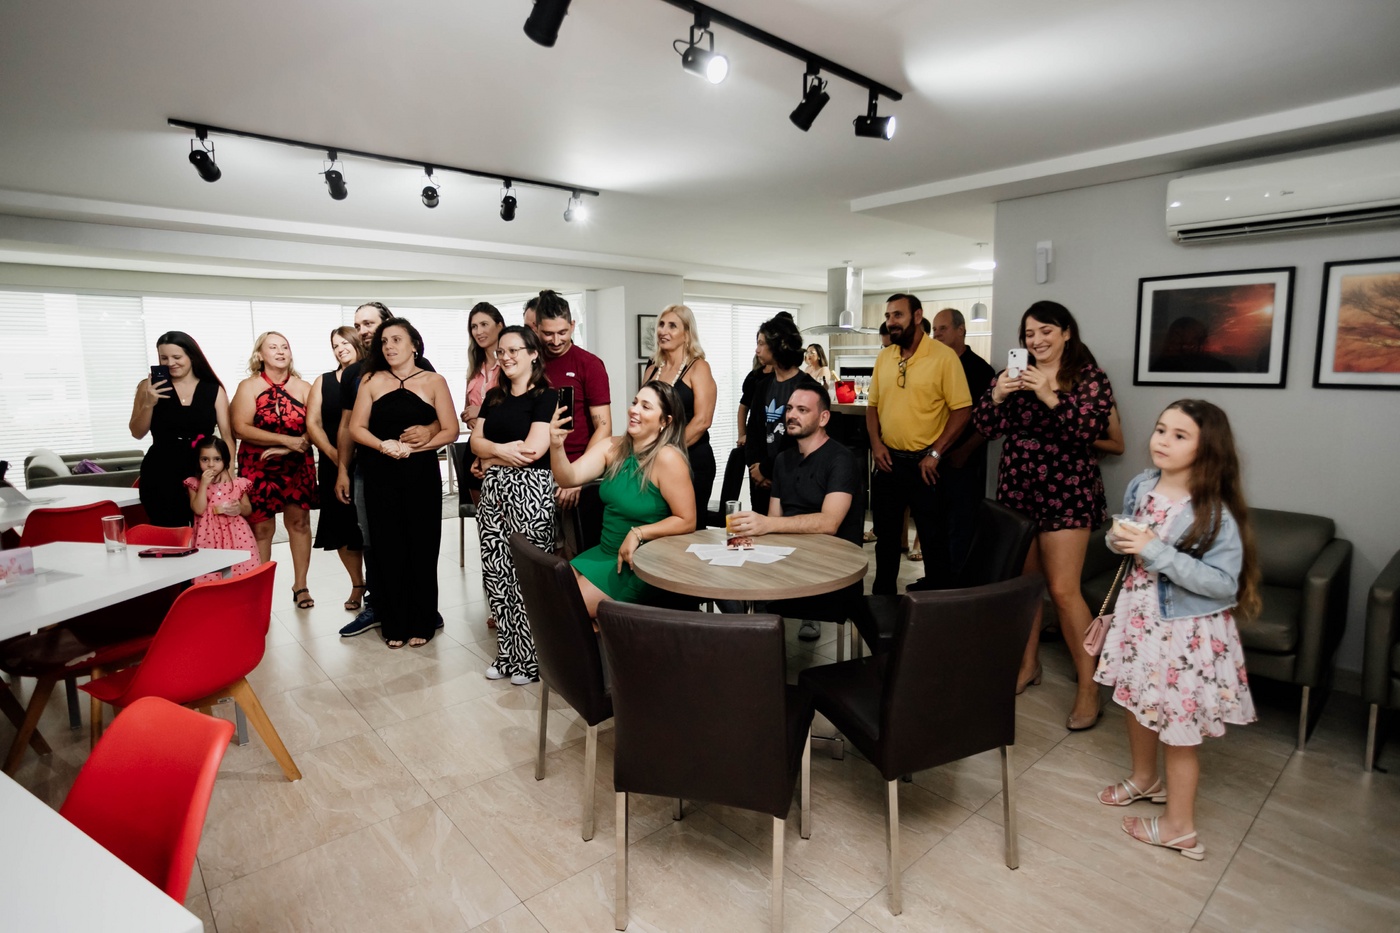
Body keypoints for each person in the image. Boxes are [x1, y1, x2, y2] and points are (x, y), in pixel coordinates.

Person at [1093, 399, 1259, 861]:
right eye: (1161, 429)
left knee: (1177, 729)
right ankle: (1145, 779)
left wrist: (1156, 551)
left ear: (1208, 449)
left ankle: (1179, 828)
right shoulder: (1142, 485)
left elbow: (1223, 584)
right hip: (1139, 617)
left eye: (1180, 435)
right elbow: (1124, 538)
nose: (1162, 440)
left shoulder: (1213, 511)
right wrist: (1119, 540)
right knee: (1134, 700)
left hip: (1184, 633)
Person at [973, 300, 1115, 730]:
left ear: (1067, 332)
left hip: (1067, 491)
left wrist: (1049, 395)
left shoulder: (1089, 378)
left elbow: (1090, 431)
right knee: (1026, 586)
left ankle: (1089, 687)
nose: (1036, 341)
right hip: (1018, 489)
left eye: (1045, 331)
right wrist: (998, 395)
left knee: (1064, 591)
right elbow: (986, 427)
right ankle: (1028, 664)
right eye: (1029, 334)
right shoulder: (1013, 376)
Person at [349, 317, 459, 648]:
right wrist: (383, 445)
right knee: (387, 546)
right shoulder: (371, 380)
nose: (389, 347)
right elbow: (356, 428)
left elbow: (451, 430)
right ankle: (394, 623)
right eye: (384, 342)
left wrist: (415, 448)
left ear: (414, 345)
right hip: (380, 474)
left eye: (396, 340)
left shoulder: (434, 381)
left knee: (422, 545)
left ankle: (423, 619)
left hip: (421, 474)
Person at [727, 383, 867, 643]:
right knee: (729, 578)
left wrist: (767, 524)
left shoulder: (841, 460)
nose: (791, 415)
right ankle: (749, 654)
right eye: (790, 408)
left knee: (751, 601)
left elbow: (829, 523)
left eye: (802, 410)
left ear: (823, 418)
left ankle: (755, 652)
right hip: (787, 562)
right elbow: (774, 520)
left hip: (831, 571)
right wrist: (751, 533)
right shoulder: (783, 460)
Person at [333, 301, 441, 637]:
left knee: (418, 539)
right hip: (370, 469)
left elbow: (439, 419)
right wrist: (342, 469)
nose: (364, 331)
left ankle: (422, 610)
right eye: (359, 325)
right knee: (376, 541)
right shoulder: (356, 374)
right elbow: (348, 426)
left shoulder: (424, 368)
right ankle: (380, 607)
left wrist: (427, 433)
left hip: (417, 468)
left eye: (370, 324)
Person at [549, 380, 695, 615]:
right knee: (549, 597)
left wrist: (638, 533)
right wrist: (556, 445)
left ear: (665, 421)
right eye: (635, 402)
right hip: (604, 553)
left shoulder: (668, 458)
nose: (634, 410)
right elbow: (568, 478)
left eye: (646, 406)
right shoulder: (612, 447)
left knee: (566, 611)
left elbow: (687, 520)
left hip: (638, 563)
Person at [864, 293, 972, 595]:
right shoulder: (885, 357)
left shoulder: (943, 357)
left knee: (933, 540)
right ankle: (883, 602)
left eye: (897, 315)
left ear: (916, 316)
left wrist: (936, 452)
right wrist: (876, 444)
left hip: (927, 466)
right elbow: (872, 407)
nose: (891, 322)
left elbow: (963, 410)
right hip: (888, 462)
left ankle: (936, 608)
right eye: (888, 316)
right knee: (886, 540)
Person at [471, 325, 558, 684]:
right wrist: (496, 453)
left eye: (514, 351)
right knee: (497, 573)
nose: (505, 357)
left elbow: (533, 451)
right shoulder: (494, 396)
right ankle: (507, 653)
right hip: (493, 491)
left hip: (531, 491)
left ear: (533, 354)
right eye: (501, 352)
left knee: (527, 576)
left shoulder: (547, 397)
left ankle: (533, 658)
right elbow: (475, 442)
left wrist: (490, 457)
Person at [231, 331, 318, 608]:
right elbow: (240, 428)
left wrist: (294, 446)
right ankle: (259, 589)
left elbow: (315, 426)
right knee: (261, 528)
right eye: (273, 347)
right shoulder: (248, 386)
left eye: (285, 347)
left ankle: (301, 585)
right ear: (260, 355)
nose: (280, 352)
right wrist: (285, 440)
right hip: (258, 465)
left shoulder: (305, 387)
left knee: (299, 524)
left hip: (297, 463)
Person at [129, 331, 233, 527]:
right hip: (160, 470)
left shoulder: (213, 390)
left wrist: (227, 470)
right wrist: (149, 403)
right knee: (167, 530)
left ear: (191, 356)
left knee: (208, 530)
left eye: (177, 357)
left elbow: (227, 436)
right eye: (164, 358)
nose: (170, 363)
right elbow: (136, 432)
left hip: (202, 469)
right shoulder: (148, 387)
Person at [931, 307, 996, 573]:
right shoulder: (934, 366)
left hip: (963, 460)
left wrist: (966, 451)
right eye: (934, 329)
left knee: (961, 526)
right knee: (934, 524)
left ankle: (958, 585)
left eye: (942, 328)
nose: (936, 334)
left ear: (961, 330)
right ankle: (935, 581)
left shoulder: (980, 370)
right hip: (933, 460)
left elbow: (988, 421)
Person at [535, 290, 611, 514]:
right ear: (536, 329)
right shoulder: (530, 362)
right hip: (536, 469)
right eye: (548, 334)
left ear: (572, 325)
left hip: (575, 467)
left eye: (562, 332)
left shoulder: (589, 364)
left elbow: (604, 427)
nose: (556, 341)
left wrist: (577, 475)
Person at [306, 326, 366, 611]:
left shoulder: (370, 375)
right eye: (335, 345)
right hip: (333, 463)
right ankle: (357, 584)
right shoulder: (324, 381)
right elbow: (313, 423)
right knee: (341, 527)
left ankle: (380, 585)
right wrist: (335, 455)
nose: (340, 348)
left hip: (367, 461)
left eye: (345, 342)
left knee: (367, 527)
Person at [642, 304, 716, 524]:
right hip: (654, 460)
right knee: (657, 521)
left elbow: (703, 421)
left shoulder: (698, 367)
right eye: (661, 324)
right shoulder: (652, 369)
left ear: (687, 334)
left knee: (687, 527)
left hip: (692, 459)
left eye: (672, 326)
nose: (663, 331)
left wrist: (666, 451)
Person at [744, 314, 818, 517]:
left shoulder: (809, 388)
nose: (757, 350)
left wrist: (767, 470)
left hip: (794, 480)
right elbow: (753, 431)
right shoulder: (762, 386)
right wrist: (756, 469)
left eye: (761, 343)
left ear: (777, 346)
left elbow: (802, 440)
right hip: (760, 482)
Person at [184, 436, 259, 584]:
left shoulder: (237, 484)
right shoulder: (194, 484)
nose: (211, 464)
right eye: (205, 459)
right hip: (208, 538)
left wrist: (239, 508)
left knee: (239, 574)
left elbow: (247, 509)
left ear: (225, 460)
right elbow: (198, 509)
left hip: (237, 537)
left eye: (217, 459)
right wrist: (204, 484)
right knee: (210, 576)